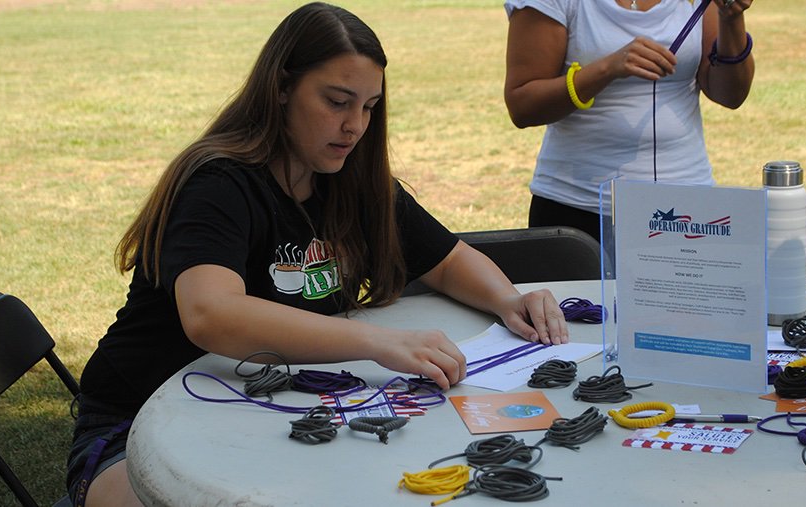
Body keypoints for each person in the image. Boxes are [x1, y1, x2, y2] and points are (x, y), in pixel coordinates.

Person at [66, 3, 570, 506]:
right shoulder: (219, 183)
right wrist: (375, 341)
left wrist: (507, 300)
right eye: (337, 101)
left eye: (369, 106)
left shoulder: (350, 181)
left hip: (267, 412)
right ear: (281, 88)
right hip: (138, 428)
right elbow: (211, 314)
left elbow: (448, 259)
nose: (354, 125)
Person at [503, 0, 755, 241]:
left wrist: (730, 20)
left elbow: (730, 95)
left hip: (685, 207)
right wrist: (608, 69)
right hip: (579, 208)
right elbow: (523, 105)